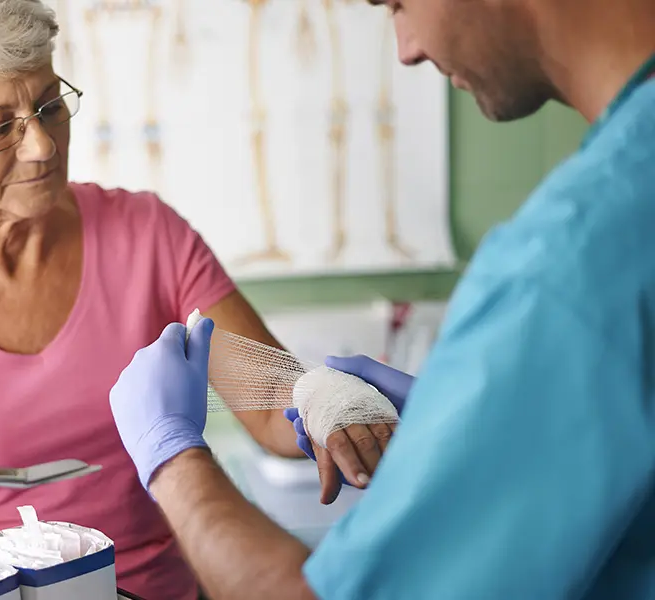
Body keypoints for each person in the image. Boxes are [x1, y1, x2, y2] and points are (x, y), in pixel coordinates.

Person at [0, 1, 396, 597]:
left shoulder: (148, 234)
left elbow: (269, 394)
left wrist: (324, 401)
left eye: (48, 105)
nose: (42, 145)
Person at [108, 0, 655, 597]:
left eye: (395, 3)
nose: (406, 48)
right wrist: (465, 428)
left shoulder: (565, 267)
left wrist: (170, 457)